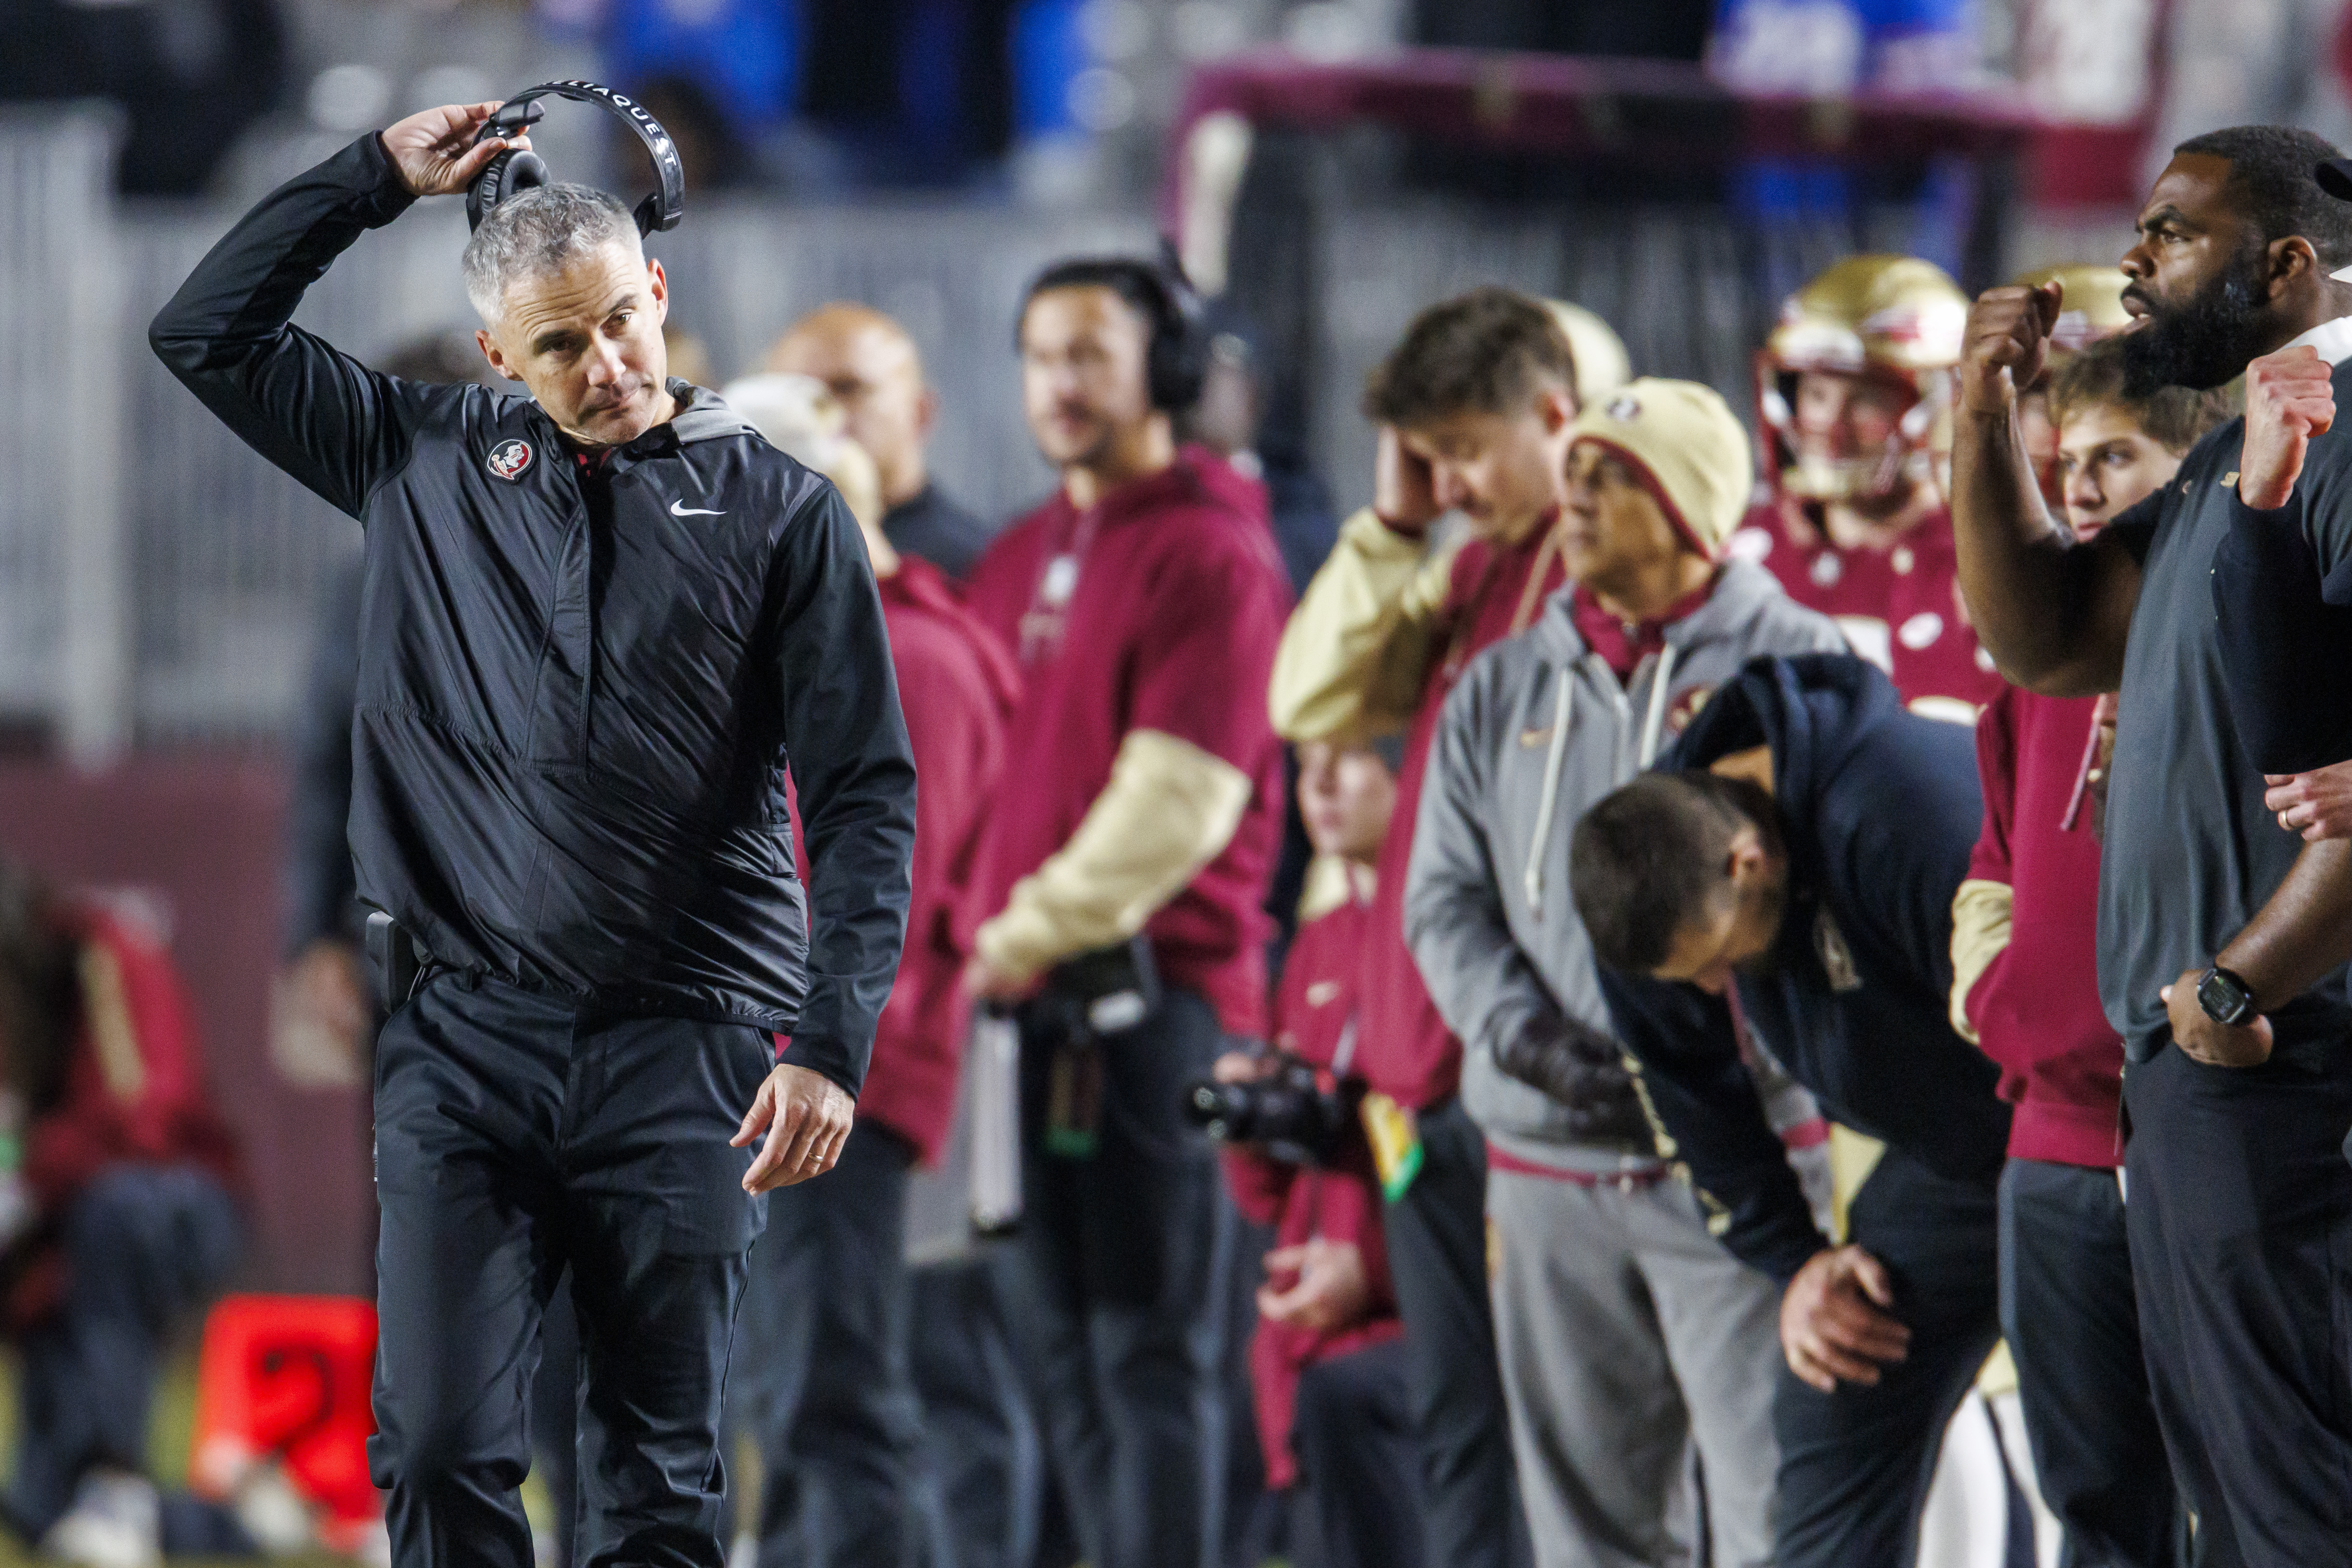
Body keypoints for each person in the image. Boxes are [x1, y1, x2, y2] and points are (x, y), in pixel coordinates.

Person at [149, 103, 918, 1567]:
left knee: (655, 1486)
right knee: (438, 1451)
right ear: (497, 357)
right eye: (560, 346)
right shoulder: (413, 458)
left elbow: (866, 792)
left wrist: (830, 1039)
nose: (608, 366)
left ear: (661, 295)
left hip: (689, 1047)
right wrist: (370, 177)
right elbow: (204, 332)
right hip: (461, 1045)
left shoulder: (784, 513)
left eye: (623, 323)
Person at [1950, 124, 2352, 1563]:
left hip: (2287, 1070)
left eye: (2173, 235)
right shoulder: (2238, 448)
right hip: (2207, 1074)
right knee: (2236, 1519)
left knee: (2300, 1513)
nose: (2132, 259)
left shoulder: (2341, 420)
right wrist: (1977, 418)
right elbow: (2045, 636)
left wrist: (2240, 983)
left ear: (2291, 263)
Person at [1404, 378, 1842, 1568]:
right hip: (1544, 1162)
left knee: (1776, 1511)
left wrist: (1727, 1054)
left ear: (1690, 507)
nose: (1573, 494)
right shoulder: (1498, 680)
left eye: (1611, 474)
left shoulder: (1797, 662)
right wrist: (1522, 1034)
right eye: (1575, 469)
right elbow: (1437, 898)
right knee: (1586, 1529)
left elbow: (1840, 908)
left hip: (1743, 1166)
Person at [959, 255, 1290, 1568]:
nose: (1062, 382)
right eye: (1043, 354)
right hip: (1027, 1008)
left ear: (1165, 371)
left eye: (1092, 352)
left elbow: (1179, 805)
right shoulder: (1020, 551)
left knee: (1151, 1355)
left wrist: (1008, 931)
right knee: (1059, 1355)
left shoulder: (1212, 546)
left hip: (1158, 1011)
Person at [1270, 287, 1596, 1568]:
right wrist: (1394, 518)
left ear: (1555, 416)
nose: (1452, 479)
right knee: (1456, 1424)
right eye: (1433, 453)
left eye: (1466, 447)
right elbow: (1312, 695)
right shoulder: (1473, 566)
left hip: (1530, 1074)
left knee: (1562, 1438)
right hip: (1421, 1082)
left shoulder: (1616, 572)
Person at [1570, 654, 2012, 1568]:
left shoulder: (1902, 809)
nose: (1706, 988)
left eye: (1720, 965)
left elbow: (2067, 1019)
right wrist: (1798, 1262)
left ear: (1752, 859)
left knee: (2110, 1416)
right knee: (1837, 1379)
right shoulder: (1659, 879)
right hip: (1954, 1162)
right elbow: (1690, 1093)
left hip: (2084, 1130)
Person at [720, 371, 1020, 1568]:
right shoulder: (851, 645)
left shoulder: (914, 660)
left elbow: (884, 897)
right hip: (801, 1069)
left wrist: (814, 1054)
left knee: (835, 1395)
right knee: (791, 1396)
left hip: (848, 1077)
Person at [1949, 335, 2230, 1568]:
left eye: (2112, 456)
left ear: (2198, 466)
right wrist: (1991, 993)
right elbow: (1993, 860)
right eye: (2060, 459)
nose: (2071, 485)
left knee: (2246, 1498)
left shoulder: (2257, 646)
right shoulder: (2036, 661)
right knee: (2091, 1511)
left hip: (2213, 1149)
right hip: (2049, 1155)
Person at [1216, 737, 1424, 1568]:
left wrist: (1373, 1273)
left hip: (1409, 1334)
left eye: (1354, 757)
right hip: (1309, 1347)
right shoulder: (1320, 942)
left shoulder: (1445, 937)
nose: (1323, 784)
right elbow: (1273, 1197)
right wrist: (1251, 1126)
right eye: (1308, 764)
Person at [0, 859, 243, 1565]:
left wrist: (26, 1172)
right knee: (41, 1513)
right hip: (66, 1221)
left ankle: (116, 1476)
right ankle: (254, 1518)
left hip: (176, 1204)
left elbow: (148, 1117)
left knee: (115, 1208)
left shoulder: (104, 950)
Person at [1728, 254, 2001, 723]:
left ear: (1943, 401)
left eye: (1866, 401)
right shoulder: (1740, 546)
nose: (1832, 425)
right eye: (1817, 395)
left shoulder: (1987, 562)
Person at [766, 302, 995, 579]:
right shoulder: (750, 553)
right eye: (792, 392)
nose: (814, 412)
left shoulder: (982, 567)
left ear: (921, 412)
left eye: (847, 389)